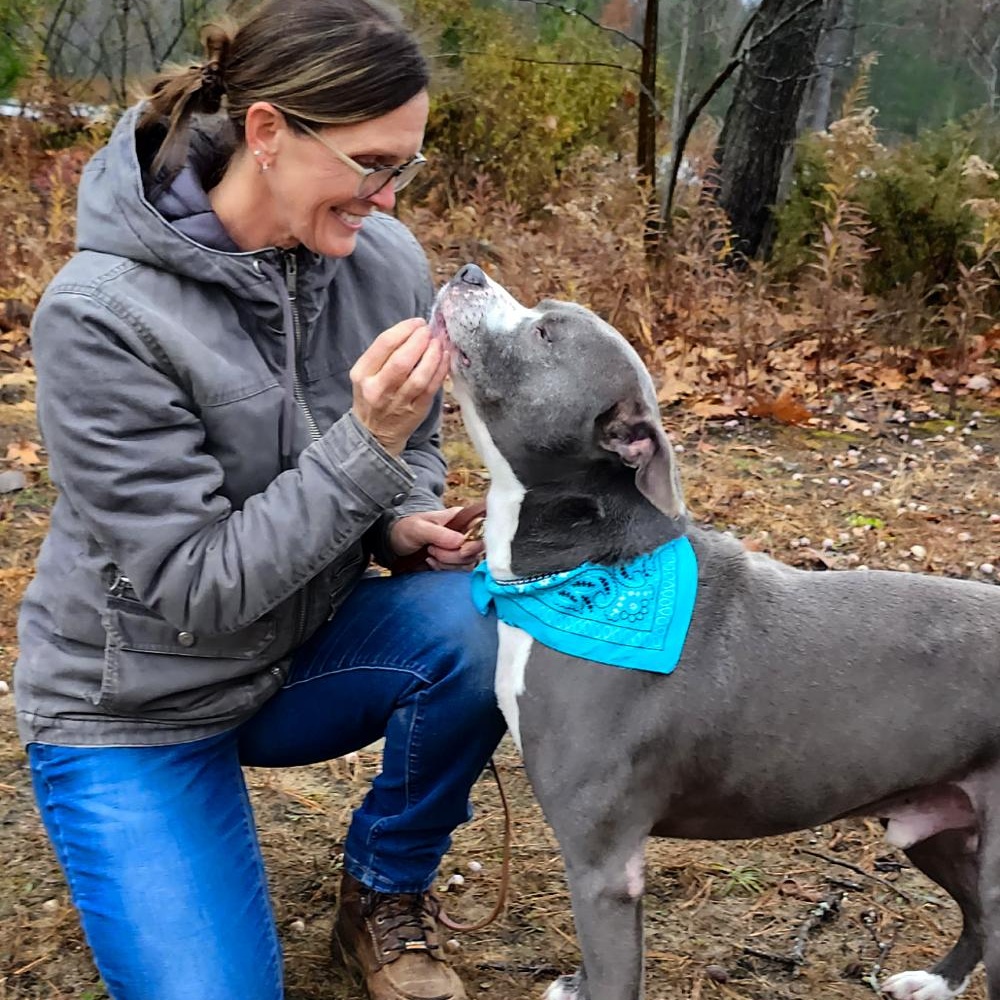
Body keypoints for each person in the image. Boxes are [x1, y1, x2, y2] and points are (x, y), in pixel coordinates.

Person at [13, 2, 506, 998]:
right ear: (270, 133)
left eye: (404, 167)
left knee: (484, 613)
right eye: (372, 164)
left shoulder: (383, 263)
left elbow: (415, 452)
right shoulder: (101, 315)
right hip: (137, 707)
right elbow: (196, 589)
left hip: (296, 656)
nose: (391, 199)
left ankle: (384, 892)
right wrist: (365, 447)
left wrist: (403, 522)